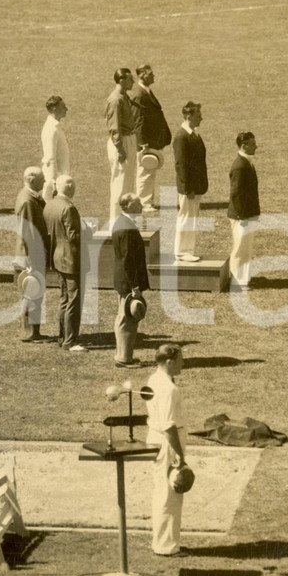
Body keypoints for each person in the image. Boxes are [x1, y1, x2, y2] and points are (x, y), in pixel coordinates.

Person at [143, 343, 190, 557]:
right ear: (170, 362)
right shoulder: (168, 389)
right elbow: (169, 426)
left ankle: (163, 541)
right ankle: (166, 546)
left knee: (163, 492)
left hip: (157, 439)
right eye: (180, 360)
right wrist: (179, 455)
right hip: (167, 443)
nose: (183, 364)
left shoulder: (155, 379)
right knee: (169, 494)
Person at [44, 174, 85, 352]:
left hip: (57, 256)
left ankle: (62, 337)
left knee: (64, 298)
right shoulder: (69, 208)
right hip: (70, 259)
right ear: (69, 187)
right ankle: (70, 340)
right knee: (73, 299)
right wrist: (87, 231)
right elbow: (73, 237)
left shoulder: (50, 204)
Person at [128, 64, 172, 213]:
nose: (154, 76)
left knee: (149, 170)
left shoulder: (145, 91)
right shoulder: (139, 95)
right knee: (145, 172)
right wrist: (142, 143)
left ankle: (147, 201)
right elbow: (138, 120)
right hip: (146, 142)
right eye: (150, 74)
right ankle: (144, 203)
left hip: (151, 140)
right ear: (142, 75)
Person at [113, 193, 150, 368]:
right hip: (128, 282)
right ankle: (124, 358)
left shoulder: (121, 222)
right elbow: (128, 261)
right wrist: (134, 285)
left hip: (123, 280)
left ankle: (122, 355)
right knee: (128, 319)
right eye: (138, 203)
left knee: (123, 317)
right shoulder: (127, 229)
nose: (141, 206)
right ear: (128, 206)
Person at [14, 166, 50, 342]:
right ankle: (29, 332)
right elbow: (27, 233)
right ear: (31, 180)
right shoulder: (28, 201)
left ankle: (33, 331)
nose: (44, 181)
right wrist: (31, 259)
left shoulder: (30, 197)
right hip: (30, 256)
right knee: (31, 294)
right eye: (42, 179)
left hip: (31, 254)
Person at [172, 101, 208, 263]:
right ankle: (181, 252)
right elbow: (181, 165)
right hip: (189, 188)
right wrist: (188, 189)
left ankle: (188, 250)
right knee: (186, 217)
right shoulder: (181, 137)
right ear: (188, 116)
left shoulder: (193, 134)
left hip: (196, 186)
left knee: (192, 218)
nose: (201, 118)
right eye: (198, 116)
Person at [227, 131, 260, 290]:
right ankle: (237, 281)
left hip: (247, 214)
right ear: (244, 145)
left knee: (246, 248)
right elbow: (236, 193)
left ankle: (244, 278)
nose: (256, 146)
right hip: (241, 216)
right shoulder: (240, 166)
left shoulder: (246, 162)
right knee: (240, 248)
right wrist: (242, 216)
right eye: (252, 144)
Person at [105, 68, 137, 222]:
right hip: (122, 142)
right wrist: (120, 149)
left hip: (128, 139)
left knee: (127, 183)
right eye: (130, 79)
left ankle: (125, 222)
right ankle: (115, 223)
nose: (133, 82)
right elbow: (114, 127)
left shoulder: (123, 96)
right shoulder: (116, 100)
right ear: (122, 80)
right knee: (120, 184)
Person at [40, 96, 70, 204]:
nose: (66, 109)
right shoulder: (51, 129)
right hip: (54, 178)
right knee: (50, 206)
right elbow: (50, 157)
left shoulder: (55, 126)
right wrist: (53, 181)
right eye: (63, 106)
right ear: (54, 109)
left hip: (60, 175)